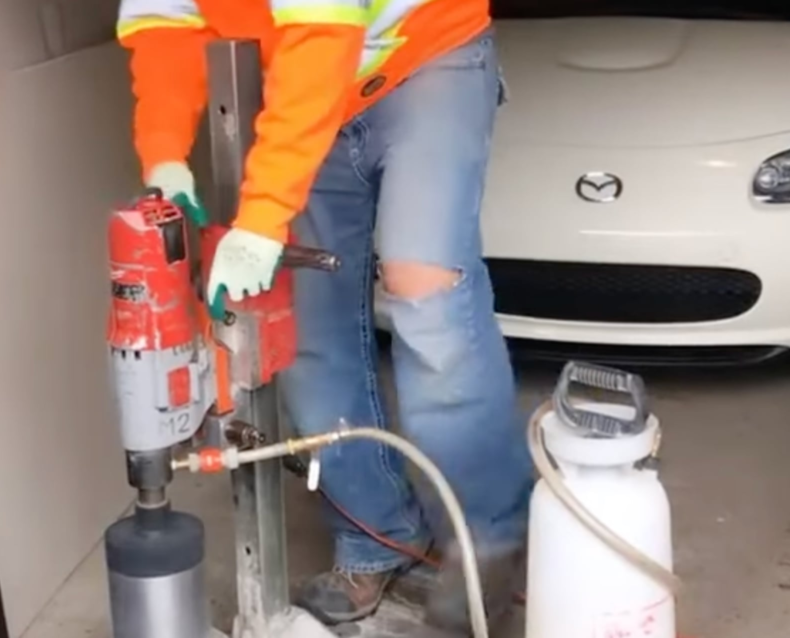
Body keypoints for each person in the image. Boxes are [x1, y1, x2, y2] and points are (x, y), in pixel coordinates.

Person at [116, 0, 534, 632]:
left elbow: (323, 29)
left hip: (423, 56)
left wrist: (262, 219)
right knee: (308, 326)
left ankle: (486, 544)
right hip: (303, 81)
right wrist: (165, 155)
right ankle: (376, 538)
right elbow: (164, 24)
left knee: (426, 292)